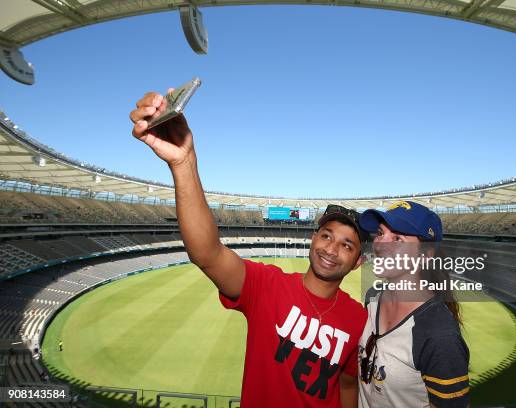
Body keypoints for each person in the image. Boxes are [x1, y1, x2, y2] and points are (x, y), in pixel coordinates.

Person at [129, 90, 368, 408]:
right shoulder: (267, 286)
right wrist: (184, 163)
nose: (331, 248)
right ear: (313, 238)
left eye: (347, 245)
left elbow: (348, 386)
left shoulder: (359, 319)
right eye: (326, 235)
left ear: (357, 262)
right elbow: (207, 254)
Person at [357, 201, 470, 408]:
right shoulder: (372, 297)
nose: (380, 244)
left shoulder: (439, 335)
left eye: (398, 238)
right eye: (380, 233)